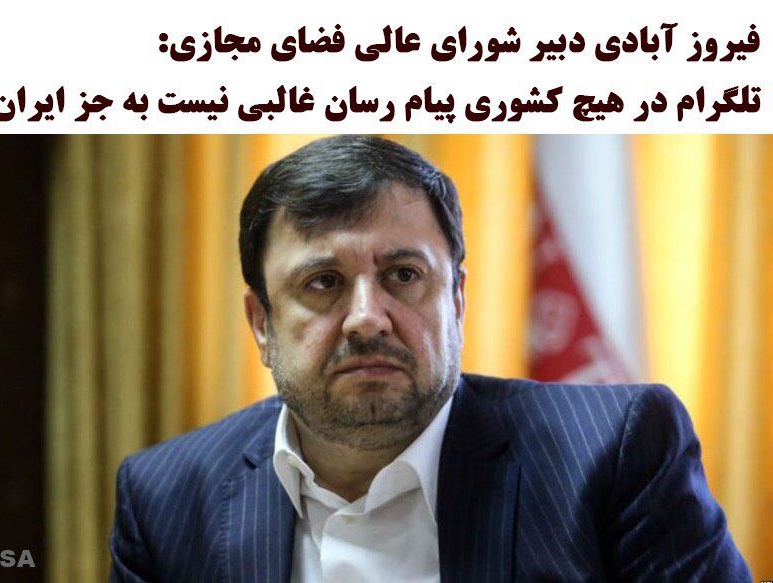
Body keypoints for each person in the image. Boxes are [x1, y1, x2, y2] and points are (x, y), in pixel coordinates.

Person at [109, 135, 750, 582]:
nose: (367, 317)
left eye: (404, 275)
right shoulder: (167, 500)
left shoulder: (612, 455)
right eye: (323, 283)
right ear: (261, 323)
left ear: (457, 300)